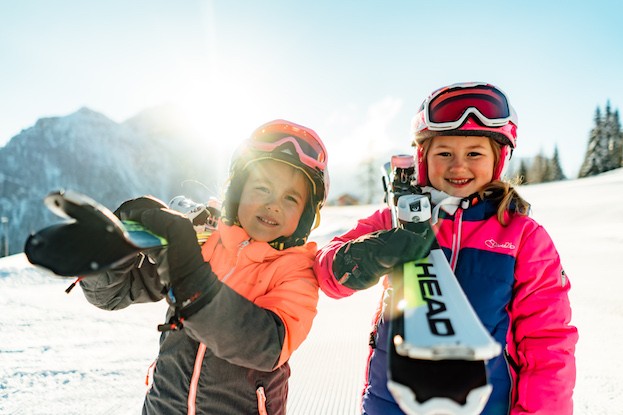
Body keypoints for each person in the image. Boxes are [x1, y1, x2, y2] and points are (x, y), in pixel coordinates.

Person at [314, 82, 578, 414]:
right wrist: (363, 255)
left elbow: (548, 342)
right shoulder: (395, 221)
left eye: (474, 153)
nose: (458, 166)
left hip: (483, 405)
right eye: (444, 153)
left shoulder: (524, 238)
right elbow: (325, 270)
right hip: (392, 403)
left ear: (498, 159)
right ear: (423, 158)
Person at [80, 119, 329, 414]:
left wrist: (188, 277)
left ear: (306, 214)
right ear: (237, 192)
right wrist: (111, 252)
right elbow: (112, 295)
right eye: (262, 188)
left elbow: (265, 346)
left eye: (290, 197)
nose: (274, 204)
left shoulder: (297, 272)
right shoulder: (205, 244)